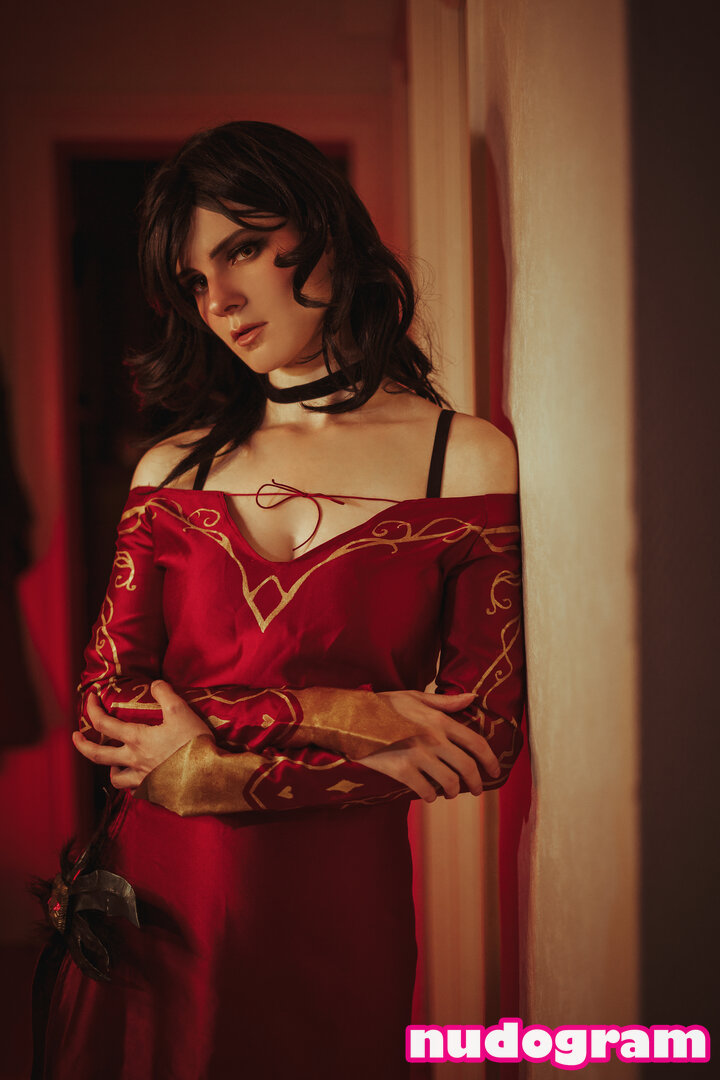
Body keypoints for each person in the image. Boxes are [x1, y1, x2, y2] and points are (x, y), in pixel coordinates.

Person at [41, 121, 526, 1079]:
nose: (219, 300)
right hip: (158, 906)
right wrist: (347, 716)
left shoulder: (462, 458)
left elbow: (486, 739)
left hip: (338, 912)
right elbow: (106, 709)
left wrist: (207, 769)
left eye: (243, 250)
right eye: (194, 280)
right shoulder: (174, 468)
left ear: (327, 232)